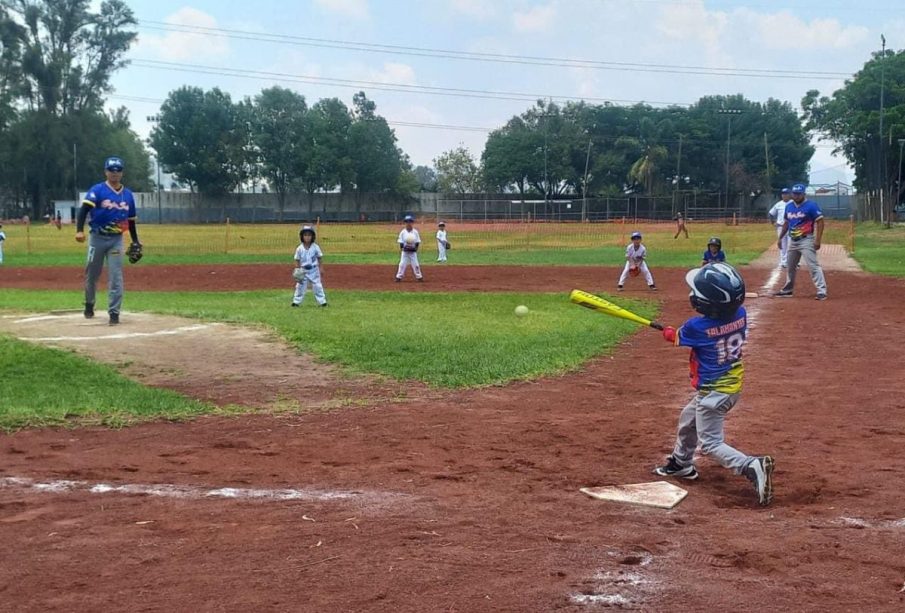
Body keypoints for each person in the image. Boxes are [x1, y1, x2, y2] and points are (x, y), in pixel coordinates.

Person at [654, 262, 774, 506]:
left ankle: (750, 465)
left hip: (713, 393)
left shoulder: (696, 326)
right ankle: (681, 463)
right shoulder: (741, 315)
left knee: (711, 444)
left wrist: (668, 331)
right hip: (730, 387)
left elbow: (675, 336)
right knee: (689, 420)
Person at [75, 156, 141, 325]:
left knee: (116, 276)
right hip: (96, 238)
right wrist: (79, 231)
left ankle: (114, 312)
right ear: (106, 172)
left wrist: (135, 241)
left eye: (118, 170)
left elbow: (131, 220)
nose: (114, 174)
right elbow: (83, 210)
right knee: (92, 273)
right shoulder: (97, 190)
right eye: (111, 170)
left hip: (116, 240)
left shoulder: (127, 195)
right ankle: (89, 303)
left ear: (122, 173)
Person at [775, 183, 827, 300]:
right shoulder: (789, 207)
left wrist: (818, 240)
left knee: (813, 265)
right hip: (793, 240)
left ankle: (822, 290)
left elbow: (820, 222)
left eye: (799, 194)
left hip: (806, 239)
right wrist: (780, 238)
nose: (796, 196)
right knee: (790, 265)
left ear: (804, 194)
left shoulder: (811, 206)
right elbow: (786, 223)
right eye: (794, 194)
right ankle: (788, 289)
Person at [292, 225, 327, 308]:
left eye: (309, 235)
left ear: (312, 236)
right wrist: (297, 270)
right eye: (305, 235)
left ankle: (322, 302)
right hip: (303, 271)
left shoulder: (315, 247)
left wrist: (321, 268)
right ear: (302, 237)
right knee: (300, 286)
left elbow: (319, 257)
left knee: (317, 286)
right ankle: (296, 302)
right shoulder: (299, 248)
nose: (307, 237)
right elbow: (297, 259)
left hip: (314, 270)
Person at [768, 188, 792, 268]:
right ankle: (783, 261)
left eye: (786, 193)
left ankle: (793, 261)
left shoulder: (793, 203)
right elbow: (771, 213)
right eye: (783, 194)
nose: (784, 195)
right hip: (781, 227)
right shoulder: (778, 204)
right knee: (782, 244)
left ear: (789, 194)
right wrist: (772, 222)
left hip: (791, 227)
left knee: (791, 244)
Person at [395, 214, 423, 282]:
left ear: (412, 222)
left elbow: (417, 242)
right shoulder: (403, 232)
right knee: (402, 264)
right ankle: (399, 277)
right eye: (407, 221)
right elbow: (401, 242)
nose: (408, 223)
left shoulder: (415, 232)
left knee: (416, 264)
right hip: (405, 252)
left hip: (413, 252)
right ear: (405, 223)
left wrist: (415, 249)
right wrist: (403, 248)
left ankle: (419, 276)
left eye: (410, 221)